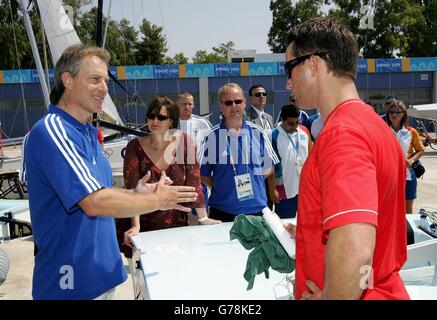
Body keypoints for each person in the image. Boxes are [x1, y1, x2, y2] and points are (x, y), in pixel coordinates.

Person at [23, 44, 198, 300]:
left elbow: (99, 191)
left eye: (105, 81)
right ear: (68, 80)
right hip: (70, 284)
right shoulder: (51, 131)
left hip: (104, 276)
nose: (105, 88)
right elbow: (93, 202)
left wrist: (135, 193)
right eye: (95, 80)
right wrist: (158, 200)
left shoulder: (89, 133)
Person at [284, 17, 409, 300]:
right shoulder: (376, 127)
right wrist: (305, 231)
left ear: (313, 64)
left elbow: (356, 249)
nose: (288, 82)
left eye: (289, 69)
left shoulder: (343, 134)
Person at [116, 96, 220, 261]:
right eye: (151, 116)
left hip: (177, 226)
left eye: (161, 117)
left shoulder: (185, 143)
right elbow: (131, 190)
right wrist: (136, 226)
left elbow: (195, 183)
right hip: (145, 227)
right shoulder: (134, 148)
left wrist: (203, 217)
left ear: (171, 121)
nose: (155, 121)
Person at [199, 83, 279, 222]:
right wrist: (224, 184)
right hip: (222, 212)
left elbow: (269, 168)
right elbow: (202, 175)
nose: (234, 106)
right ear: (221, 106)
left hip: (257, 211)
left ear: (244, 103)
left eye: (238, 101)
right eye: (228, 103)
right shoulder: (211, 137)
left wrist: (254, 179)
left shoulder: (258, 132)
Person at [269, 103, 313, 218]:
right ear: (282, 119)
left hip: (305, 188)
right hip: (284, 190)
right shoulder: (273, 135)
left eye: (297, 122)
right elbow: (270, 166)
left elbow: (311, 156)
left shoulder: (304, 131)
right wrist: (272, 189)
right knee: (285, 225)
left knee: (305, 223)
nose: (295, 126)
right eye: (291, 123)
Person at [385, 100, 425, 214]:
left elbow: (421, 150)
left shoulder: (411, 132)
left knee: (407, 210)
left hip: (407, 175)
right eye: (391, 112)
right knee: (390, 209)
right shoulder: (383, 130)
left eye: (397, 112)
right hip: (388, 174)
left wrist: (412, 160)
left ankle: (406, 232)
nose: (394, 114)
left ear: (403, 113)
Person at [176, 92, 212, 212]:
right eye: (184, 104)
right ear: (177, 105)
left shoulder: (202, 123)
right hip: (177, 174)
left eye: (189, 104)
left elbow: (211, 147)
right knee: (180, 210)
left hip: (198, 174)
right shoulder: (170, 123)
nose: (187, 107)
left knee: (201, 210)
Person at [245, 84, 275, 210]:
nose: (262, 96)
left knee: (269, 203)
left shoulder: (269, 117)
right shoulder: (245, 117)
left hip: (269, 167)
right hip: (254, 167)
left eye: (264, 94)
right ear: (250, 98)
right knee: (256, 205)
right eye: (257, 94)